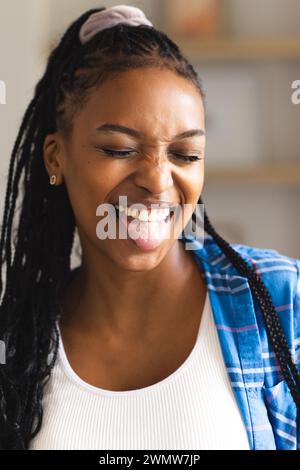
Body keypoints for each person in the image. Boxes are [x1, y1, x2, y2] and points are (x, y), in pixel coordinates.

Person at [0, 5, 299, 451]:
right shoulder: (17, 343)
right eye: (119, 149)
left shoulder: (279, 303)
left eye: (185, 154)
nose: (158, 181)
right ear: (55, 157)